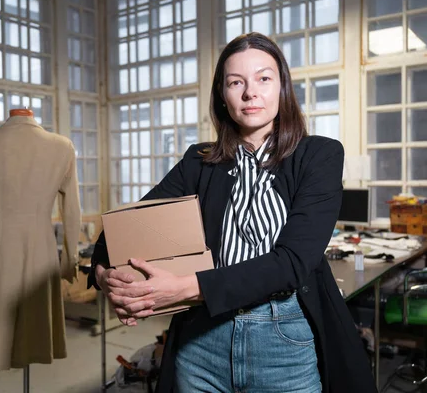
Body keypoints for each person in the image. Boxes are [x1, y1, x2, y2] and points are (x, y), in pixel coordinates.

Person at [88, 33, 376, 393]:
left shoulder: (318, 156)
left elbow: (292, 262)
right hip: (201, 344)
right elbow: (125, 228)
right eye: (235, 82)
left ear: (282, 88)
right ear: (222, 96)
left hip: (282, 340)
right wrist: (104, 275)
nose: (250, 92)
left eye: (263, 78)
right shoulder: (200, 160)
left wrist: (183, 289)